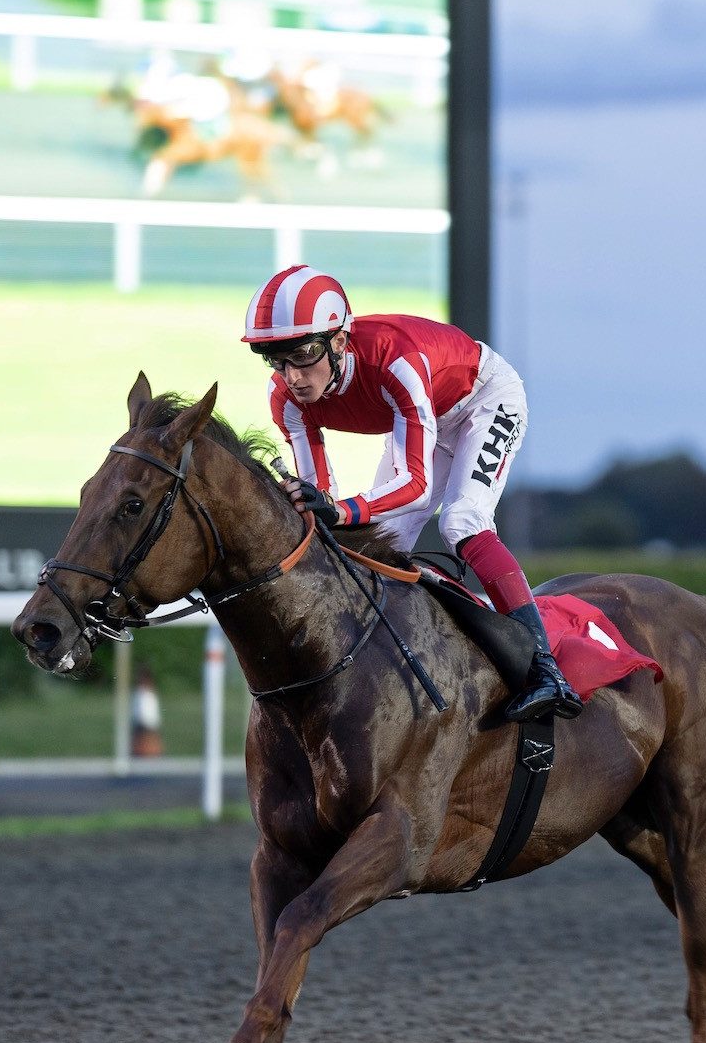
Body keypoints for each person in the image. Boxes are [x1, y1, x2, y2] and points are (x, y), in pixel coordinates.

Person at [242, 263, 581, 721]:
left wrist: (341, 511)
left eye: (302, 355)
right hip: (425, 417)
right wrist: (317, 507)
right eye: (275, 360)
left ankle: (545, 669)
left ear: (339, 342)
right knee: (382, 546)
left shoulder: (393, 360)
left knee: (461, 521)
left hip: (484, 400)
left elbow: (416, 487)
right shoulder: (284, 398)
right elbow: (322, 499)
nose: (292, 377)